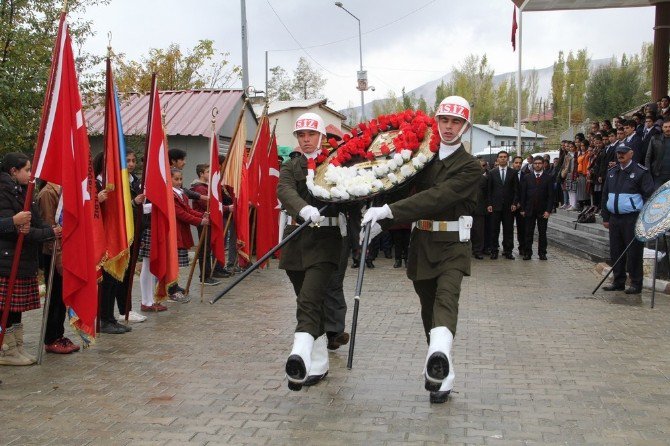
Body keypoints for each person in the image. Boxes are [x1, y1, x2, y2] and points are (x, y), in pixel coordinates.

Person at [361, 96, 481, 403]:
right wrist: (378, 223)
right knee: (429, 311)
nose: (449, 127)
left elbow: (436, 198)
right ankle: (440, 369)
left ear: (465, 127)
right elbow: (401, 188)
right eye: (445, 120)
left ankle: (439, 359)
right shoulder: (423, 159)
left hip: (454, 245)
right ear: (437, 121)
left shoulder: (469, 167)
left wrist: (388, 211)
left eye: (456, 122)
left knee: (446, 299)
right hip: (423, 244)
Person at [278, 112, 347, 391]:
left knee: (309, 299)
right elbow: (283, 190)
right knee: (307, 302)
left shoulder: (335, 163)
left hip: (326, 240)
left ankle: (301, 356)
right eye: (301, 135)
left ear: (321, 136)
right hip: (295, 240)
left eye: (311, 135)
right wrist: (303, 208)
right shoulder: (291, 165)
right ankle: (319, 363)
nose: (306, 140)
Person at [0, 152, 61, 366]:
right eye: (26, 169)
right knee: (5, 307)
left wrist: (50, 229)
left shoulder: (25, 191)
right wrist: (13, 222)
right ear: (13, 171)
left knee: (16, 308)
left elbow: (36, 221)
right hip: (6, 258)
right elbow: (13, 230)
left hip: (24, 257)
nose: (30, 173)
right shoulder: (3, 191)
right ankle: (6, 350)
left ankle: (17, 347)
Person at [601, 145, 655, 295]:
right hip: (614, 218)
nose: (620, 155)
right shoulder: (612, 172)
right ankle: (618, 281)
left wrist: (644, 219)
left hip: (632, 218)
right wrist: (605, 217)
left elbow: (648, 196)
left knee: (633, 252)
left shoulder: (640, 172)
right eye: (618, 153)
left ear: (631, 153)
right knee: (616, 250)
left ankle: (636, 283)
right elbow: (605, 195)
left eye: (623, 153)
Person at [37, 181, 80, 354]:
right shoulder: (48, 192)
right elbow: (50, 227)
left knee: (62, 297)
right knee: (54, 296)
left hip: (65, 249)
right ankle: (51, 338)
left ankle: (59, 334)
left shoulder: (63, 189)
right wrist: (59, 256)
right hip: (53, 252)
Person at [170, 168, 209, 301]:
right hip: (174, 231)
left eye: (180, 179)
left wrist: (201, 215)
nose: (179, 182)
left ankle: (174, 285)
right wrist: (200, 221)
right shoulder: (170, 194)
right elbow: (181, 214)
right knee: (172, 262)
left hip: (181, 230)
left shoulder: (180, 193)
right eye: (176, 179)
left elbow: (187, 209)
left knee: (176, 263)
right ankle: (171, 288)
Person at [189, 163, 220, 286]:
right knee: (204, 249)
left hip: (207, 220)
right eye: (207, 172)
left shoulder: (205, 186)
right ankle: (204, 276)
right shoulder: (199, 188)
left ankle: (207, 274)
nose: (209, 173)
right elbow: (205, 205)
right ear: (201, 174)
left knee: (207, 248)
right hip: (203, 220)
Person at [519, 156, 553, 260]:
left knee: (542, 233)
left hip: (542, 210)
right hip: (529, 209)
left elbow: (551, 196)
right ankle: (527, 252)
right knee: (528, 232)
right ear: (533, 165)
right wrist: (522, 209)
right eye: (535, 163)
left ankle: (542, 253)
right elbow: (523, 194)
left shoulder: (548, 178)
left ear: (543, 164)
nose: (537, 165)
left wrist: (548, 210)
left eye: (539, 163)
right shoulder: (527, 177)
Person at [487, 150, 518, 260]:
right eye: (501, 157)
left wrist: (515, 203)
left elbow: (516, 190)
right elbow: (489, 190)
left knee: (508, 230)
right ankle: (494, 250)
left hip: (509, 207)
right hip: (495, 206)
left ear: (508, 158)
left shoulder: (513, 173)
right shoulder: (492, 172)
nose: (503, 158)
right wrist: (489, 203)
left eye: (505, 157)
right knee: (494, 230)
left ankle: (508, 251)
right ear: (497, 159)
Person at [644, 118, 670, 190]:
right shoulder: (655, 139)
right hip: (658, 175)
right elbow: (648, 157)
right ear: (662, 128)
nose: (668, 129)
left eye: (669, 127)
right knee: (658, 198)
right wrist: (648, 173)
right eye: (666, 127)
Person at [510, 155, 526, 257]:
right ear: (513, 163)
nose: (518, 164)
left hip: (522, 207)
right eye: (516, 163)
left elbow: (526, 191)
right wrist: (513, 203)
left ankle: (522, 248)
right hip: (510, 206)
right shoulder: (508, 174)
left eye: (520, 163)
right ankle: (508, 248)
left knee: (522, 229)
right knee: (508, 229)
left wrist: (520, 203)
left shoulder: (526, 175)